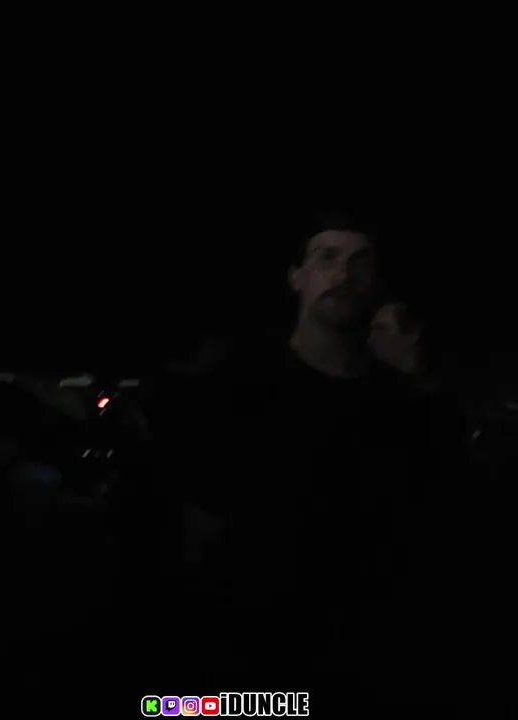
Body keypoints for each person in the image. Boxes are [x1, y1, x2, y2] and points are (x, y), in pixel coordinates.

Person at [148, 212, 471, 705]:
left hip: (373, 662)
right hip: (254, 659)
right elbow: (196, 535)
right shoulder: (236, 387)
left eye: (360, 263)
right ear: (296, 276)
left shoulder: (401, 400)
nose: (343, 275)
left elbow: (440, 520)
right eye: (327, 258)